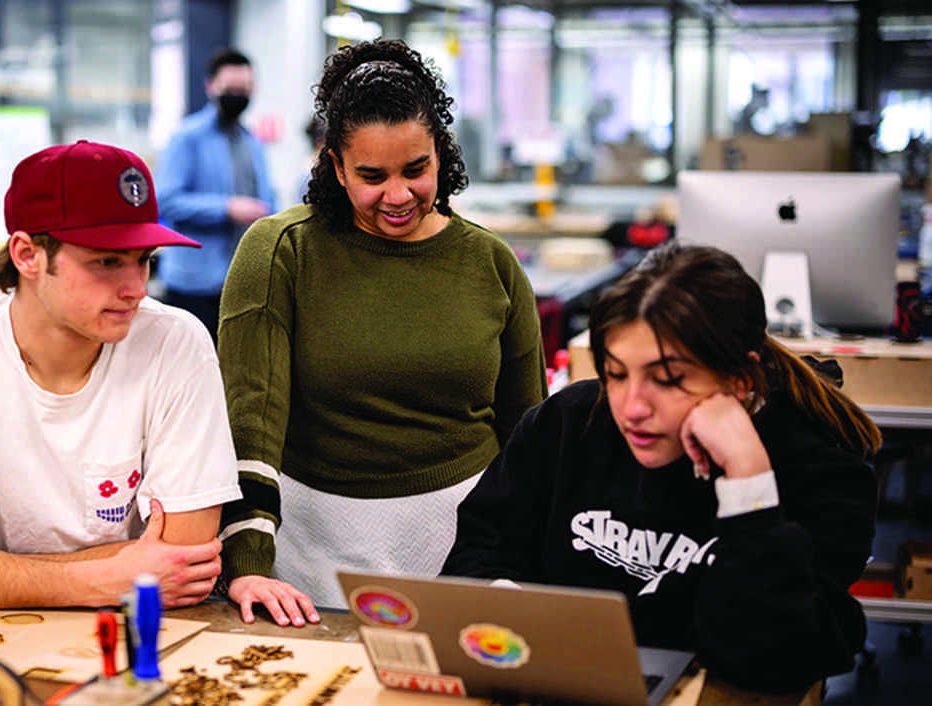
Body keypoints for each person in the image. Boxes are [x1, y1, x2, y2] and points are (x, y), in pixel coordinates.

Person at [442, 242, 880, 695]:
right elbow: (478, 553)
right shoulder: (566, 423)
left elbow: (777, 655)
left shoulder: (818, 469)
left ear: (740, 379)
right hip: (562, 682)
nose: (632, 408)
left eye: (668, 380)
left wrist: (748, 483)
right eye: (616, 374)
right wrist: (507, 603)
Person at [217, 39, 547, 626]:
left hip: (465, 541)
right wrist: (246, 562)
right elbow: (250, 419)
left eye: (415, 169)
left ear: (440, 153)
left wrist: (524, 558)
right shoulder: (281, 252)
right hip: (312, 549)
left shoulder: (491, 263)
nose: (398, 196)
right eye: (372, 176)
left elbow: (529, 434)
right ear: (336, 168)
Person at [0, 141, 242, 610]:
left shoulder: (175, 343)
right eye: (107, 261)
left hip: (138, 632)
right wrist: (106, 578)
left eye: (144, 259)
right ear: (27, 255)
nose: (136, 289)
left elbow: (184, 557)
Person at [156, 47, 276, 340]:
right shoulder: (187, 137)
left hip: (240, 283)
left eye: (244, 89)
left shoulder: (251, 142)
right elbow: (165, 200)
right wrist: (226, 208)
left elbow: (268, 198)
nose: (238, 96)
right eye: (231, 89)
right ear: (211, 86)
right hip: (194, 285)